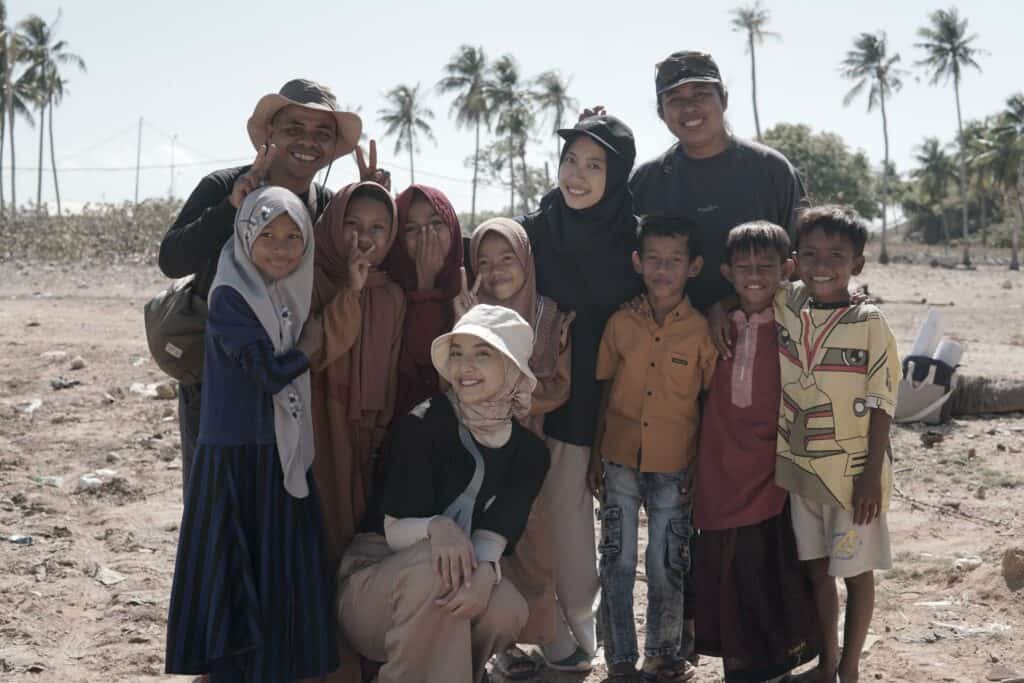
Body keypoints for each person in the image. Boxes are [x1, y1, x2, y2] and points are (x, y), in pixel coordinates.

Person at [164, 187, 337, 682]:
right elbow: (267, 372)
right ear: (245, 236)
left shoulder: (284, 291)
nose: (281, 248)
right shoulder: (231, 295)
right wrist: (307, 349)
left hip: (273, 450)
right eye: (268, 235)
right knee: (238, 566)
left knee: (272, 563)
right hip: (237, 456)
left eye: (292, 236)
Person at [158, 78, 362, 489]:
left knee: (279, 496)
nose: (308, 142)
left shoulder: (327, 205)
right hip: (218, 381)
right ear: (269, 133)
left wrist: (369, 199)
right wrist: (229, 209)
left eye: (322, 134)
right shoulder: (225, 185)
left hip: (295, 374)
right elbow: (173, 260)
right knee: (216, 495)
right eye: (294, 129)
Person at [336, 304, 550, 683]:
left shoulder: (530, 454)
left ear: (512, 367)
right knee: (435, 567)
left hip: (449, 579)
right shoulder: (424, 424)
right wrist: (438, 527)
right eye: (457, 353)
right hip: (374, 586)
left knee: (506, 607)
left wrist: (486, 572)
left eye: (482, 354)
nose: (464, 367)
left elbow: (493, 536)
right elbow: (396, 532)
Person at [517, 114, 643, 672]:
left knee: (570, 511)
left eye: (595, 165)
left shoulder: (632, 241)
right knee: (526, 509)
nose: (578, 175)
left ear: (617, 176)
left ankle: (578, 626)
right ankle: (535, 628)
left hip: (595, 395)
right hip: (531, 390)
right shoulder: (536, 229)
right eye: (571, 160)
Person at [774, 206, 900, 683]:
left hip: (851, 480)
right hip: (801, 470)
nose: (821, 264)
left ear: (857, 264)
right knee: (818, 570)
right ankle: (826, 665)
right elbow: (750, 291)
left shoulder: (870, 321)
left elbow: (883, 398)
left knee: (855, 569)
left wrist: (870, 474)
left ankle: (850, 666)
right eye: (810, 254)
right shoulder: (788, 304)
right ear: (794, 260)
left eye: (836, 255)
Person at [589, 215, 716, 681]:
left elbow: (708, 404)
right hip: (618, 456)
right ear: (638, 262)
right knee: (617, 559)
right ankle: (620, 657)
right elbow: (603, 390)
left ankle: (663, 653)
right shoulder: (620, 323)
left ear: (694, 267)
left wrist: (701, 467)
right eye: (654, 260)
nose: (663, 270)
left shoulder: (702, 332)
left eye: (674, 261)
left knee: (666, 561)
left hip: (675, 463)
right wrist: (593, 457)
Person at [692, 221, 820, 682]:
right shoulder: (718, 324)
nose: (754, 274)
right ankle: (741, 667)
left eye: (766, 265)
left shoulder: (797, 316)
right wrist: (717, 308)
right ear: (726, 271)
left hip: (772, 470)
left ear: (786, 269)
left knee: (769, 567)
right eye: (743, 266)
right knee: (729, 570)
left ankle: (775, 666)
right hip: (722, 468)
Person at [457, 217, 575, 678]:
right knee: (482, 542)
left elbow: (560, 385)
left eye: (508, 258)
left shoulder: (549, 315)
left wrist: (515, 399)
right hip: (475, 452)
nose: (497, 269)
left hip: (529, 450)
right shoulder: (470, 314)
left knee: (531, 545)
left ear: (527, 260)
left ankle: (532, 639)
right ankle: (495, 647)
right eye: (484, 261)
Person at [308, 181, 405, 682]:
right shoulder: (312, 282)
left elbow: (386, 373)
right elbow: (317, 352)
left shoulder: (390, 295)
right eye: (352, 224)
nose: (365, 239)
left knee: (354, 548)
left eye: (378, 228)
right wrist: (349, 290)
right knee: (317, 545)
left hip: (365, 442)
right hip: (321, 438)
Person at [630, 51, 805, 315]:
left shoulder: (772, 171)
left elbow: (804, 264)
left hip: (763, 335)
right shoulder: (646, 181)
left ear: (723, 99)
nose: (689, 108)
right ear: (661, 113)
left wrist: (729, 306)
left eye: (700, 94)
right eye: (675, 99)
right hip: (670, 344)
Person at [386, 184, 464, 419]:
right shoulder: (386, 287)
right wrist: (425, 284)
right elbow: (422, 358)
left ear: (452, 227)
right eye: (411, 228)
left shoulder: (470, 283)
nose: (426, 235)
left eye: (436, 223)